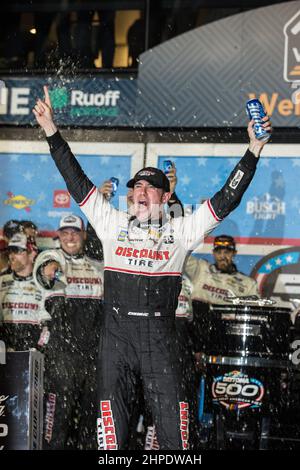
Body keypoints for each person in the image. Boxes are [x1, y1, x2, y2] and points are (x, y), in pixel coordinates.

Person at [33, 85, 271, 450]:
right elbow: (75, 177)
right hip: (115, 342)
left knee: (176, 443)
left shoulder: (181, 229)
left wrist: (253, 150)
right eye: (135, 186)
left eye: (149, 186)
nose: (139, 190)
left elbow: (228, 197)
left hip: (160, 343)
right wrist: (51, 129)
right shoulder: (112, 223)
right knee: (111, 443)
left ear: (164, 198)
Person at [33, 213, 104, 450]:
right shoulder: (51, 257)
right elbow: (46, 270)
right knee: (57, 423)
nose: (70, 237)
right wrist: (50, 269)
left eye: (75, 232)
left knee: (90, 422)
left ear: (84, 235)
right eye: (65, 233)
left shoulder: (99, 267)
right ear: (59, 236)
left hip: (92, 356)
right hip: (61, 356)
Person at [0, 232, 50, 352]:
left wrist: (38, 348)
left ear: (32, 253)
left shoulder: (44, 284)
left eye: (17, 251)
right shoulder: (2, 281)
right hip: (4, 351)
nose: (12, 256)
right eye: (10, 251)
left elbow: (48, 325)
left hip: (33, 351)